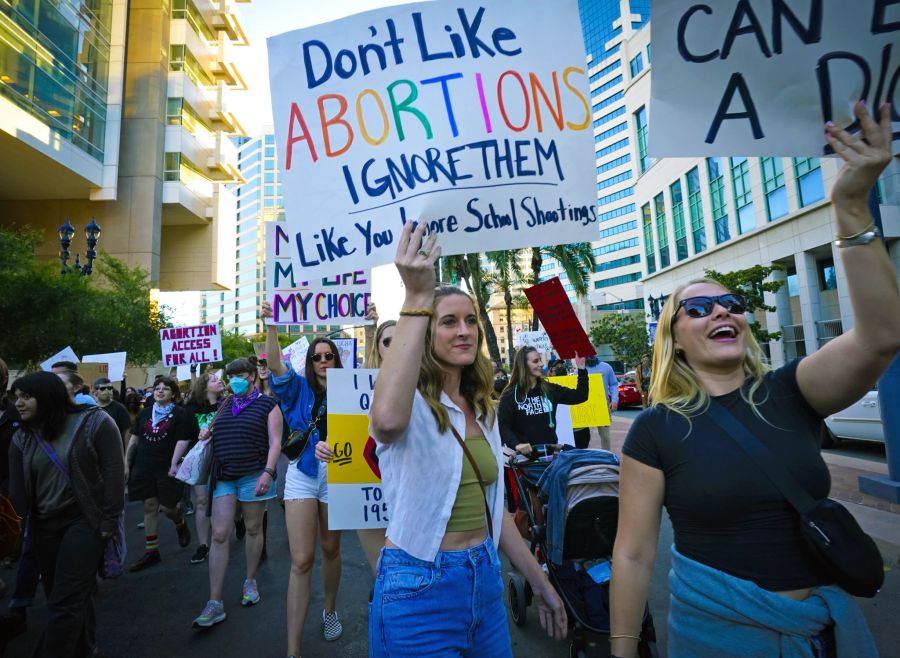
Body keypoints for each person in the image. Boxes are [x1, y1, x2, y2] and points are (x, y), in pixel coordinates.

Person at [610, 102, 897, 658]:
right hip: (716, 633)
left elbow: (882, 335)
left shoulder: (794, 390)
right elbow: (635, 553)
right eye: (700, 309)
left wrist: (851, 205)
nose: (722, 311)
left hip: (823, 635)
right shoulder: (653, 431)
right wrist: (623, 651)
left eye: (731, 302)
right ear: (673, 338)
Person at [367, 222, 567, 655]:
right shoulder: (407, 400)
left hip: (485, 580)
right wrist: (417, 296)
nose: (464, 331)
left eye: (471, 320)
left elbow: (493, 510)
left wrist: (539, 582)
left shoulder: (483, 407)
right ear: (424, 331)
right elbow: (384, 421)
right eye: (448, 322)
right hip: (419, 586)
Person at [8, 372, 125, 657]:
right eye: (16, 398)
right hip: (44, 527)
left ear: (47, 397)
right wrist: (13, 533)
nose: (19, 404)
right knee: (66, 598)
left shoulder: (94, 422)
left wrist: (109, 519)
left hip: (83, 521)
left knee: (65, 602)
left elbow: (114, 472)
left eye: (26, 397)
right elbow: (17, 494)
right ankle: (85, 648)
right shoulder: (21, 437)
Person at [262, 301, 345, 656]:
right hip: (302, 475)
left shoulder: (352, 387)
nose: (324, 362)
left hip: (339, 475)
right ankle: (293, 649)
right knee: (301, 559)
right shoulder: (295, 388)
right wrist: (270, 326)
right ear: (310, 363)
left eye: (329, 356)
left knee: (330, 548)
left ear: (337, 360)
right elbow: (275, 363)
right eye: (317, 357)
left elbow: (378, 373)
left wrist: (371, 327)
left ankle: (329, 610)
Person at [191, 358, 282, 629]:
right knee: (219, 534)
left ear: (253, 376)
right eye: (231, 376)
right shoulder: (224, 405)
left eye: (240, 375)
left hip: (254, 475)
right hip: (224, 477)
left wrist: (268, 471)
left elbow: (275, 442)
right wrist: (206, 433)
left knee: (253, 529)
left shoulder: (269, 405)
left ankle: (250, 580)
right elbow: (212, 435)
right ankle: (214, 602)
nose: (234, 380)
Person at [125, 376, 195, 571]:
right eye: (157, 388)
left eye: (166, 388)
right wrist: (126, 463)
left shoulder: (181, 414)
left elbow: (183, 440)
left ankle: (179, 522)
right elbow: (135, 438)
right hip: (144, 465)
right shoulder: (145, 413)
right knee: (149, 505)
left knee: (167, 507)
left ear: (173, 393)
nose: (160, 391)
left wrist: (174, 464)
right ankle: (152, 551)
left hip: (168, 467)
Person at [354, 317, 397, 574]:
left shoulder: (429, 385)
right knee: (381, 574)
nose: (395, 346)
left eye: (400, 340)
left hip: (414, 498)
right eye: (388, 341)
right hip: (373, 496)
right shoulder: (358, 384)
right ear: (378, 348)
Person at [498, 345, 588, 454]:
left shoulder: (550, 389)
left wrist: (581, 367)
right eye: (536, 361)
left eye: (540, 360)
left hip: (550, 455)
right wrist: (516, 444)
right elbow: (502, 425)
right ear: (523, 366)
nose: (541, 364)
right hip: (524, 460)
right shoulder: (510, 395)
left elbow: (580, 396)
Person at [183, 371, 226, 564]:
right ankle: (203, 545)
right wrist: (176, 463)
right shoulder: (191, 409)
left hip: (225, 458)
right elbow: (184, 437)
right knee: (201, 501)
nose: (219, 381)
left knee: (227, 500)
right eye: (214, 380)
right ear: (204, 386)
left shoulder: (228, 404)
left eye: (219, 379)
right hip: (202, 460)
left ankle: (238, 519)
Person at [585, 355, 619, 450]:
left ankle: (607, 456)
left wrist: (614, 400)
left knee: (605, 436)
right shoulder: (580, 370)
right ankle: (585, 458)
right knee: (585, 436)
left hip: (603, 407)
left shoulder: (606, 367)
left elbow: (613, 385)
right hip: (586, 408)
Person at [93, 377, 132, 452]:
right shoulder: (92, 409)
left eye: (110, 388)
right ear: (95, 392)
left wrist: (127, 454)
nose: (107, 391)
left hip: (115, 451)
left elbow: (127, 431)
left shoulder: (120, 408)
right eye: (103, 388)